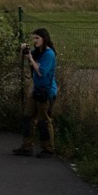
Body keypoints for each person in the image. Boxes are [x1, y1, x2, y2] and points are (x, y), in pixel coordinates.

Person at [12, 28, 58, 159]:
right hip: (37, 90)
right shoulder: (38, 52)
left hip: (46, 92)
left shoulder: (49, 54)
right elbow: (28, 57)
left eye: (37, 38)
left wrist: (31, 58)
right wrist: (24, 51)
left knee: (44, 121)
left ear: (44, 39)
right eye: (34, 38)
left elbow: (41, 72)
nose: (35, 41)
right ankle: (26, 147)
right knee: (28, 118)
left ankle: (48, 149)